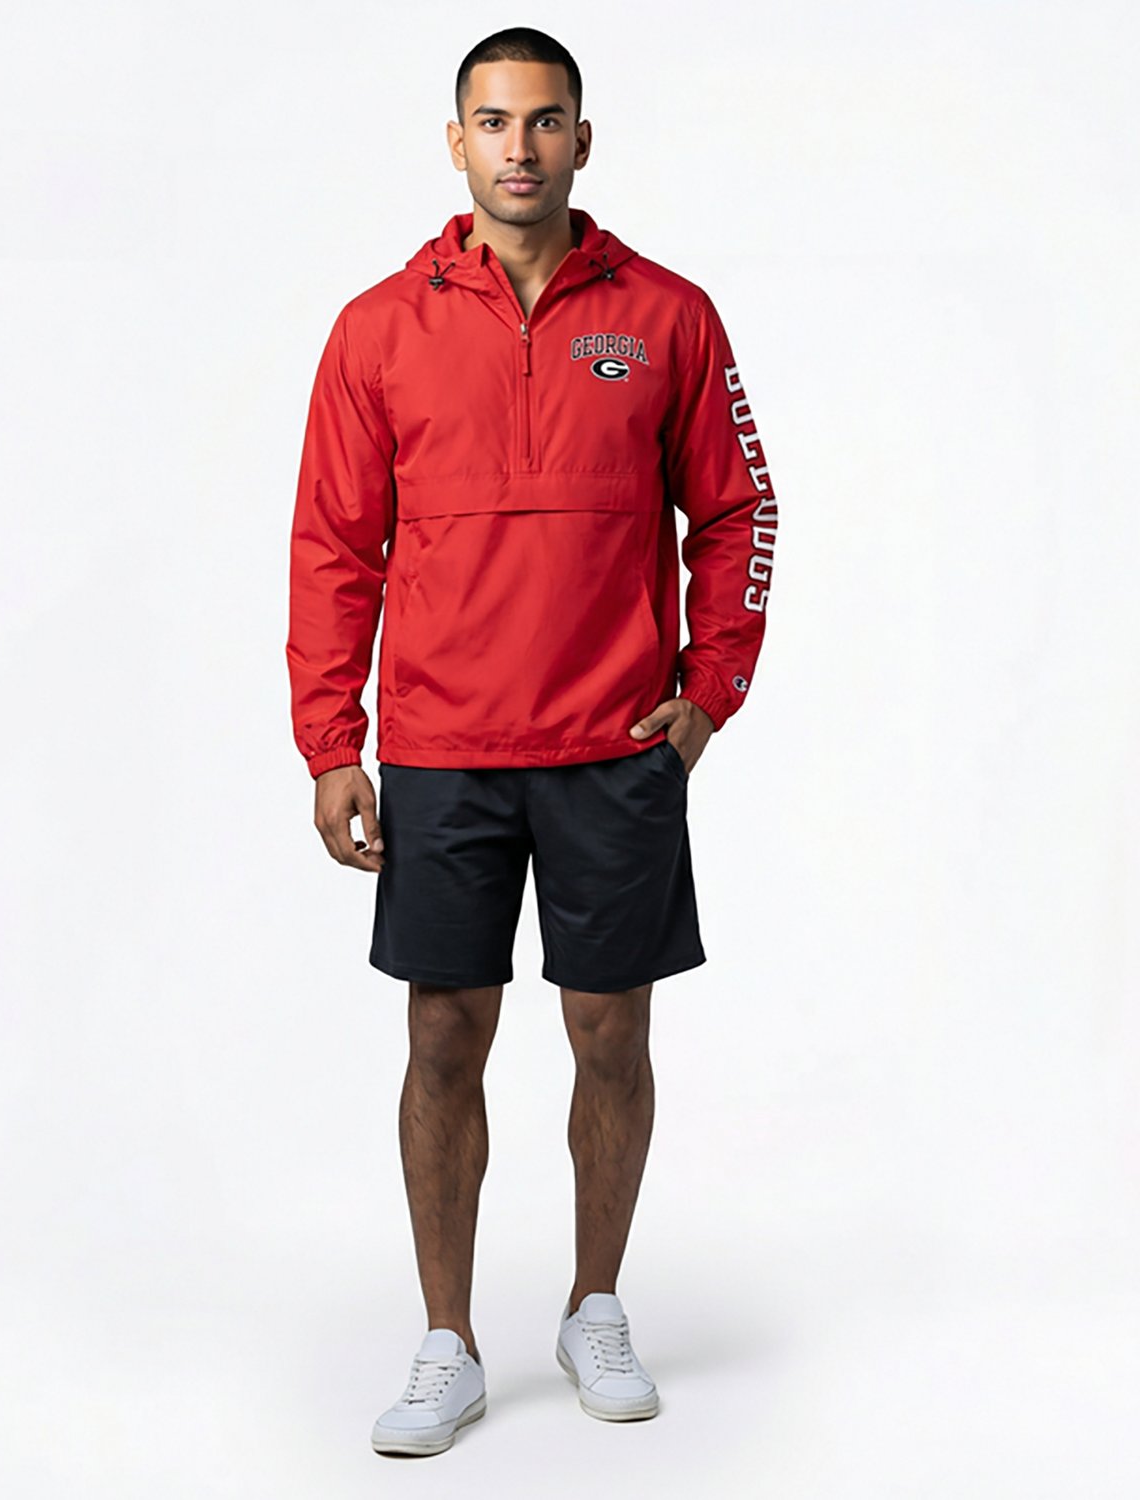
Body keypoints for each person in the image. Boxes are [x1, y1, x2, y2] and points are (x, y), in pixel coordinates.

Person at [286, 26, 777, 1457]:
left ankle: (594, 1304)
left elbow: (738, 510)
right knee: (445, 1032)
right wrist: (332, 741)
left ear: (582, 139)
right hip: (443, 747)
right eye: (494, 122)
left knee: (610, 1030)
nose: (520, 146)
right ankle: (447, 1340)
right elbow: (333, 547)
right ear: (457, 143)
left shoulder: (669, 316)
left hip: (615, 744)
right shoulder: (378, 329)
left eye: (545, 120)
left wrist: (710, 689)